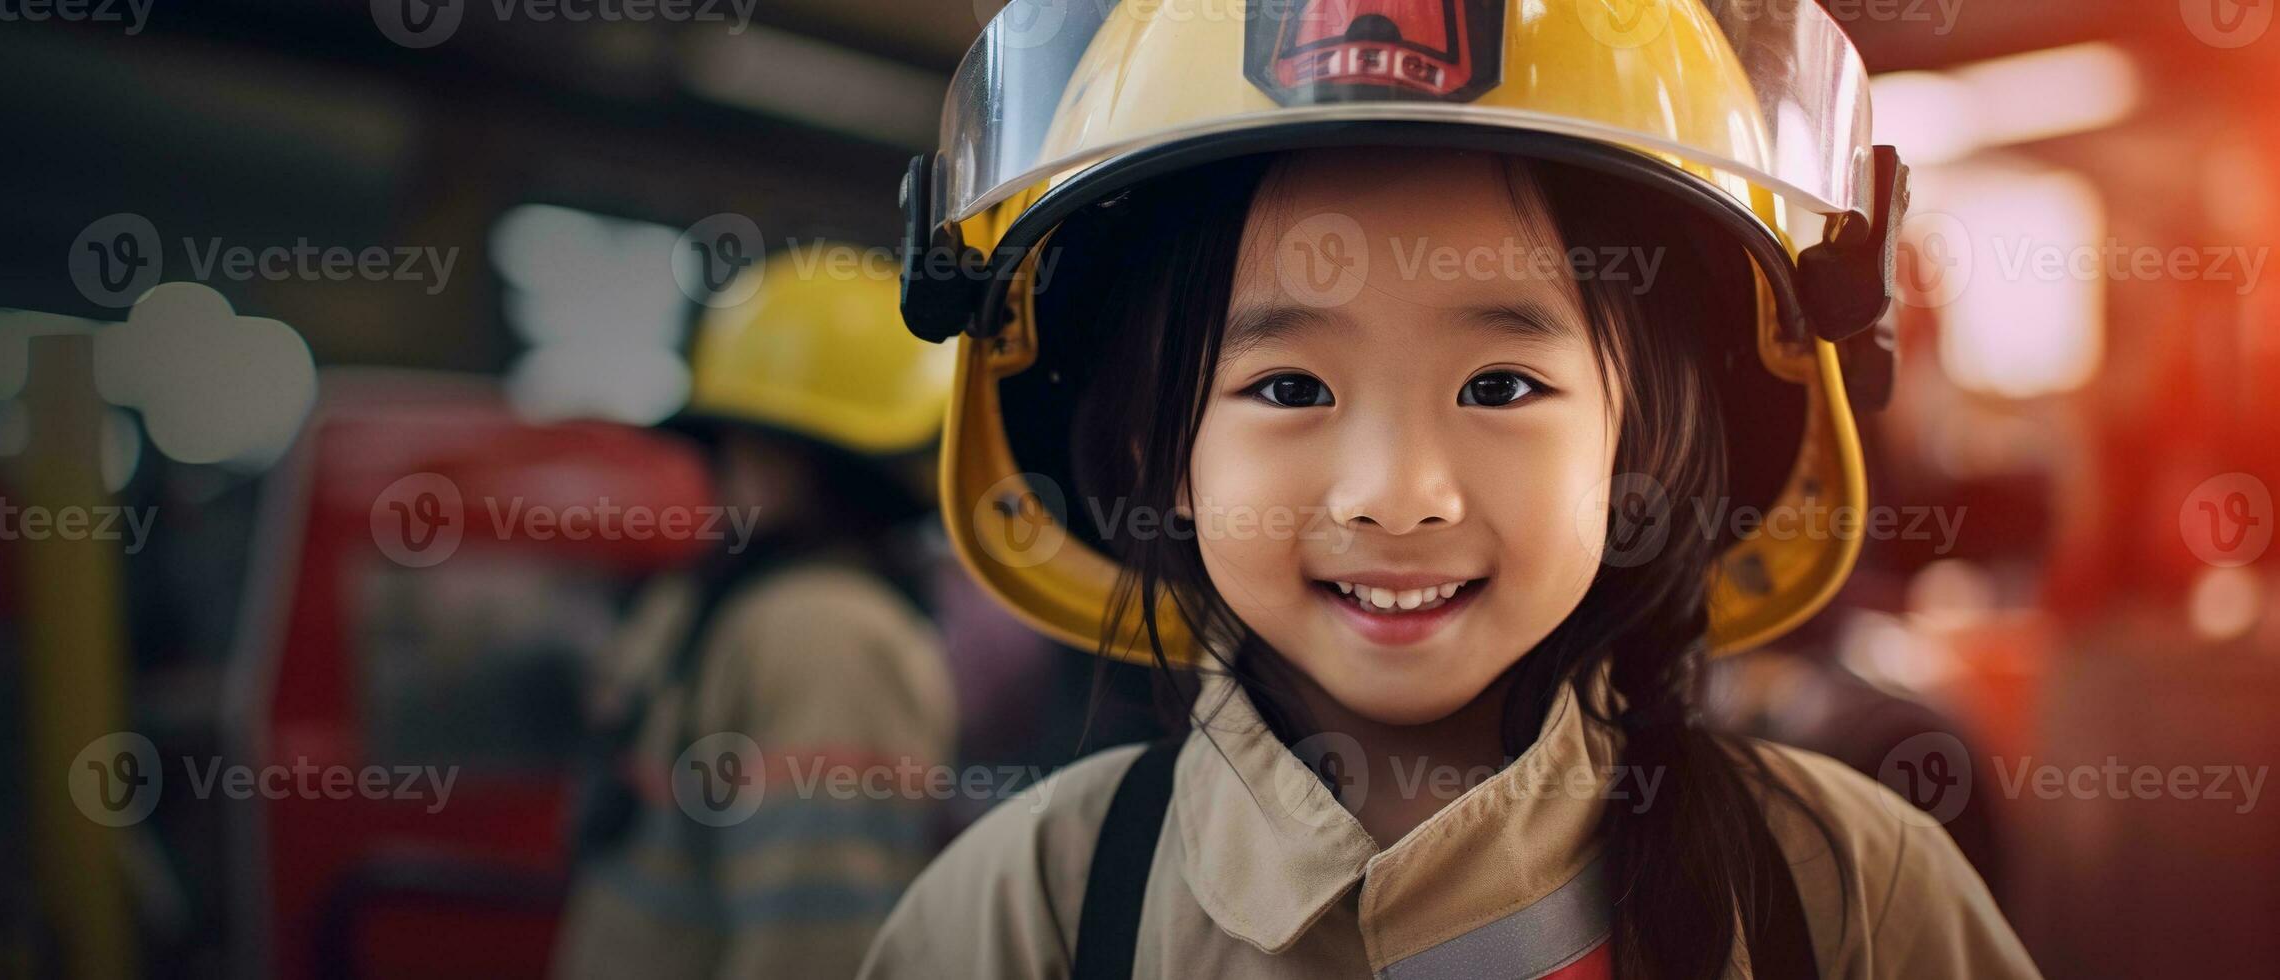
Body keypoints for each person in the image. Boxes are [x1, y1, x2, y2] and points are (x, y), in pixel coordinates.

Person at [861, 1, 2040, 976]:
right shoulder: (1030, 911)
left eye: (1500, 384)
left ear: (1644, 441)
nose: (1396, 496)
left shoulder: (1845, 891)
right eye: (1284, 388)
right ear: (1158, 452)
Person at [553, 248, 958, 980]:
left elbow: (813, 937)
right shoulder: (806, 625)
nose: (725, 477)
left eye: (742, 450)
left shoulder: (788, 622)